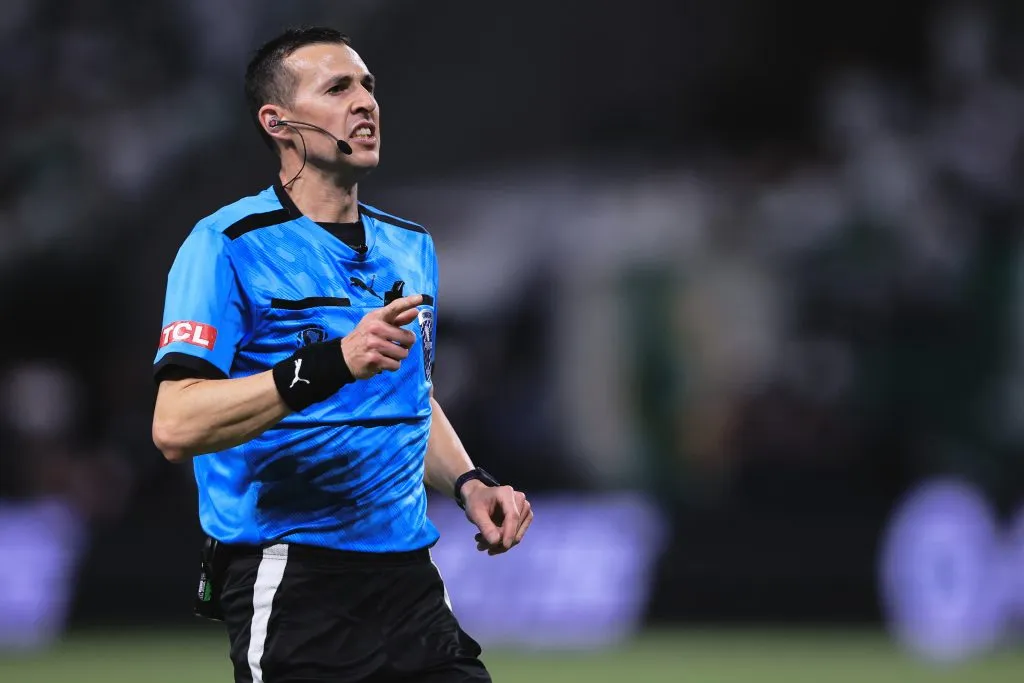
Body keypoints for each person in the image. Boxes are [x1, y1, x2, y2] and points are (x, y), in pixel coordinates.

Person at [151, 26, 533, 683]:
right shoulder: (225, 245)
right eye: (337, 88)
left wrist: (469, 481)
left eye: (368, 86)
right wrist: (332, 361)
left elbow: (410, 395)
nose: (365, 102)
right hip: (294, 582)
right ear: (279, 122)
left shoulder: (410, 246)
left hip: (409, 580)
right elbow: (175, 423)